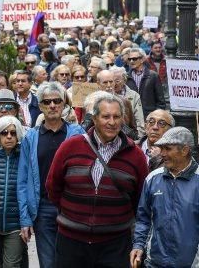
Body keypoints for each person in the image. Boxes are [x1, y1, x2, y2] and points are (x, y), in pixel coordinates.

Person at [46, 92, 148, 268]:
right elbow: (53, 187)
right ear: (94, 118)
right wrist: (74, 214)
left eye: (117, 117)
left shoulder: (135, 155)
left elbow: (140, 199)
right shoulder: (71, 146)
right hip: (71, 240)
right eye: (106, 116)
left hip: (115, 243)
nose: (112, 122)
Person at [17, 82, 84, 268]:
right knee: (48, 263)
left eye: (57, 101)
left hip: (72, 207)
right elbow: (22, 180)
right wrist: (25, 218)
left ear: (63, 104)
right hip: (43, 208)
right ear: (40, 106)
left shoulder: (77, 134)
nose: (52, 105)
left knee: (71, 262)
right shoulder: (30, 137)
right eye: (47, 102)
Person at [131, 127, 199, 268]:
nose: (162, 154)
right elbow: (143, 218)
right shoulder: (153, 178)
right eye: (161, 149)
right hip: (154, 263)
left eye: (167, 149)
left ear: (185, 150)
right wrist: (138, 245)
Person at [0, 116, 26, 268]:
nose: (9, 136)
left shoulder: (24, 156)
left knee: (11, 265)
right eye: (4, 133)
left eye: (13, 133)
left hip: (15, 225)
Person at [125, 46, 165, 116]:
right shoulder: (126, 76)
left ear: (142, 59)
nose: (131, 61)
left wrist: (154, 115)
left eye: (134, 59)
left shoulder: (153, 76)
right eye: (129, 59)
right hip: (132, 117)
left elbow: (161, 101)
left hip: (149, 117)